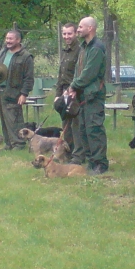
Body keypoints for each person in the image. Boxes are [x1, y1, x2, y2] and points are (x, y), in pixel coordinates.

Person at [67, 17, 108, 175]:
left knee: (94, 129)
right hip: (83, 95)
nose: (78, 29)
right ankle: (91, 161)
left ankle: (100, 163)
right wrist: (74, 88)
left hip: (93, 95)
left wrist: (73, 85)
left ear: (90, 28)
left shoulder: (97, 48)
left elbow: (89, 73)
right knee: (83, 129)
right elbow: (79, 70)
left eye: (80, 27)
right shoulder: (84, 47)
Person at [0, 30, 34, 151]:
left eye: (11, 39)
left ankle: (19, 144)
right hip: (0, 90)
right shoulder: (2, 52)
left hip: (15, 92)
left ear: (18, 40)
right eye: (7, 38)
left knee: (15, 119)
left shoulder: (26, 56)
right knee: (4, 119)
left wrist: (24, 94)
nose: (7, 41)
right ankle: (8, 144)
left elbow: (29, 78)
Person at [54, 22, 80, 152]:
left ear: (76, 33)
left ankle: (78, 153)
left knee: (75, 124)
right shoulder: (65, 51)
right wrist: (57, 95)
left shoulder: (80, 50)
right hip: (64, 92)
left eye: (69, 33)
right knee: (65, 125)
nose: (66, 36)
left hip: (75, 92)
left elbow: (79, 74)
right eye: (64, 33)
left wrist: (72, 90)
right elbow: (61, 75)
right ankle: (69, 152)